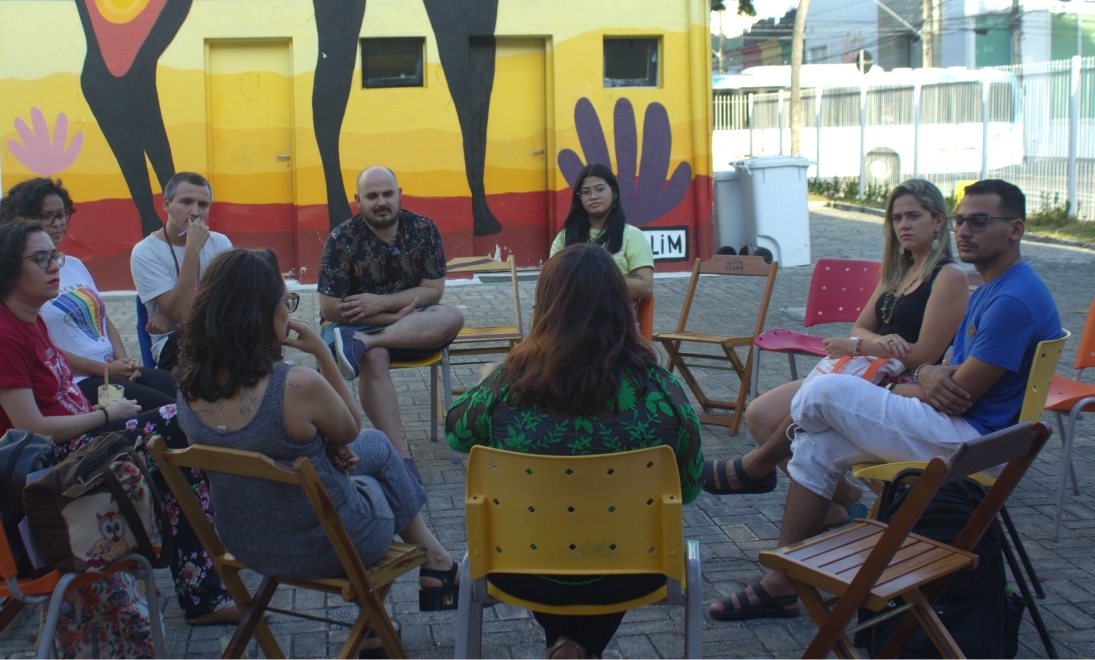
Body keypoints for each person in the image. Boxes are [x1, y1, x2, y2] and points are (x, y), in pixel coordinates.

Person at [708, 179, 1062, 621]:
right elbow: (947, 369)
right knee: (816, 443)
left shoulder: (1012, 299)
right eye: (962, 220)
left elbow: (959, 396)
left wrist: (899, 386)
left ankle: (757, 467)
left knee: (827, 391)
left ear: (1016, 229)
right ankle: (782, 585)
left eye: (980, 221)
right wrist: (929, 374)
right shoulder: (994, 287)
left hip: (974, 444)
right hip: (966, 429)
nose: (966, 230)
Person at [0, 220, 237, 627]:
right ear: (6, 270)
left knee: (182, 442)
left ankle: (202, 583)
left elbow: (56, 376)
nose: (55, 265)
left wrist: (109, 376)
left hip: (81, 437)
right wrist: (108, 414)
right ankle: (207, 580)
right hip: (58, 465)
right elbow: (31, 429)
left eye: (54, 255)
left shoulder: (24, 316)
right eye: (40, 258)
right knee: (183, 423)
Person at [173, 248, 464, 637]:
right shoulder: (295, 386)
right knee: (375, 457)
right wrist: (320, 353)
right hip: (329, 545)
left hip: (245, 544)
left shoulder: (188, 387)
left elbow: (256, 441)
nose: (289, 313)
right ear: (261, 312)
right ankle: (434, 563)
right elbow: (350, 428)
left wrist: (317, 448)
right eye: (285, 302)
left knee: (367, 454)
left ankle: (387, 613)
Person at [447, 243, 703, 659]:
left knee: (556, 547)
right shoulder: (663, 391)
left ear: (545, 305)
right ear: (620, 304)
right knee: (597, 552)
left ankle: (566, 643)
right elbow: (690, 488)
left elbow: (455, 432)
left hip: (521, 571)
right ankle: (578, 645)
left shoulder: (507, 385)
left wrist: (487, 377)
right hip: (635, 574)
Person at [704, 179, 968, 527]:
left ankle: (765, 474)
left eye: (913, 216)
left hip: (898, 384)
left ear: (937, 221)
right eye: (896, 217)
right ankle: (843, 501)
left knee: (794, 421)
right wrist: (876, 342)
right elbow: (859, 326)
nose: (903, 224)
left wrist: (860, 346)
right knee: (760, 414)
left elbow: (922, 355)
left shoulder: (948, 275)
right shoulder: (900, 270)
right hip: (862, 367)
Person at [317, 165, 465, 466]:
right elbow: (330, 308)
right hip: (349, 328)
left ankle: (366, 342)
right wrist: (388, 315)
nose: (381, 201)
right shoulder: (341, 239)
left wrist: (378, 304)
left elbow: (433, 291)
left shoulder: (424, 229)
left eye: (387, 194)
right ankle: (401, 458)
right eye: (372, 196)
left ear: (399, 195)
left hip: (411, 327)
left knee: (452, 316)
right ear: (358, 200)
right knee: (375, 356)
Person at [0, 177, 176, 411]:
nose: (58, 223)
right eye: (47, 216)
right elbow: (42, 351)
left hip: (111, 371)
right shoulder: (23, 279)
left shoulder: (74, 264)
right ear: (23, 220)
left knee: (192, 392)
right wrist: (106, 370)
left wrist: (122, 360)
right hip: (76, 382)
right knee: (173, 411)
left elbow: (103, 320)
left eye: (61, 215)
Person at [131, 171, 232, 371]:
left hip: (219, 333)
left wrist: (169, 316)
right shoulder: (145, 252)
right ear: (167, 204)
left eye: (203, 205)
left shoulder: (220, 243)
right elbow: (183, 312)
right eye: (185, 202)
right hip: (174, 344)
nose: (195, 212)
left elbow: (229, 302)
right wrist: (192, 249)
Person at [550, 163, 653, 302]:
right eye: (586, 192)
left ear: (614, 193)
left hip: (617, 320)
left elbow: (645, 287)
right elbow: (551, 281)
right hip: (572, 317)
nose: (593, 196)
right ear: (579, 199)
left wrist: (595, 283)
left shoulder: (632, 235)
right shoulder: (564, 237)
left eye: (600, 189)